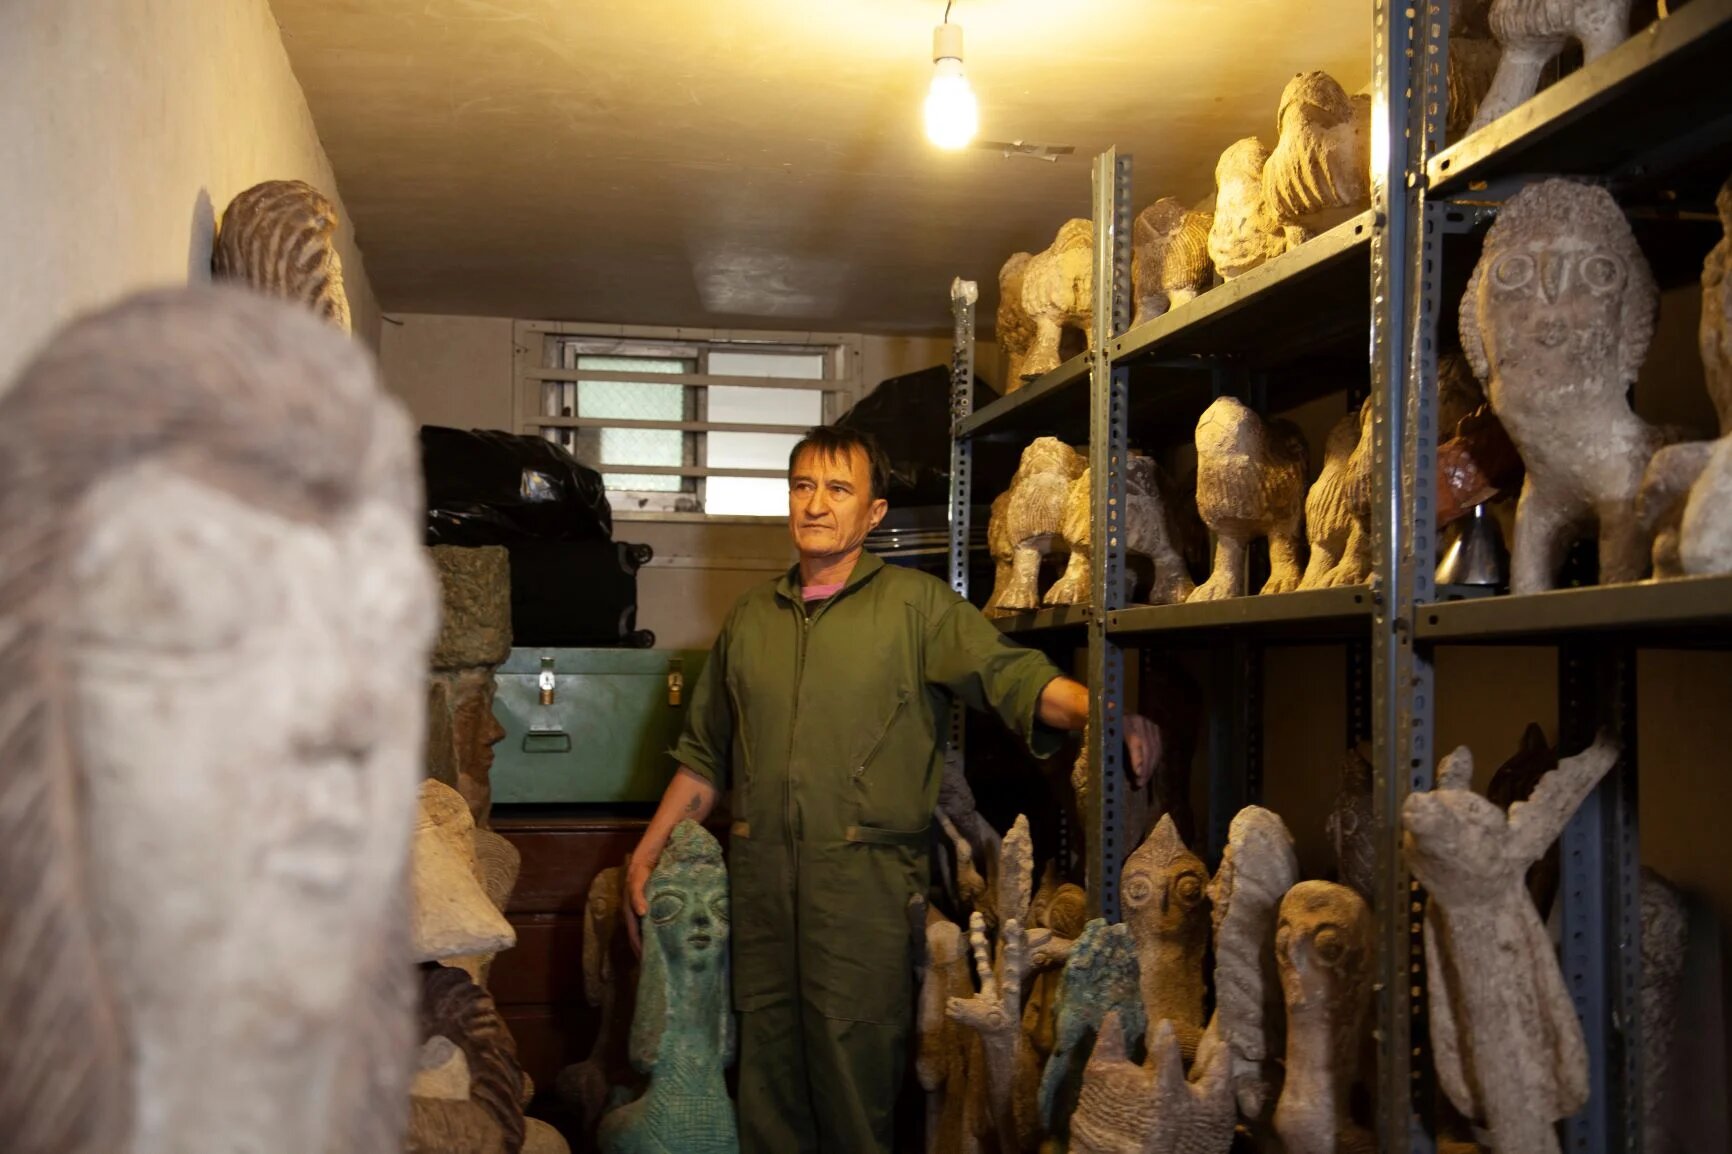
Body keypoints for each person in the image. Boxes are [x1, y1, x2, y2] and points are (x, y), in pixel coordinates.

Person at [624, 425, 1158, 1154]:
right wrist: (645, 853)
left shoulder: (917, 608)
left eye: (838, 489)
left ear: (873, 513)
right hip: (762, 898)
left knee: (855, 1093)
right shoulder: (751, 618)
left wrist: (1103, 709)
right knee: (766, 1091)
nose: (816, 504)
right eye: (803, 486)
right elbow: (702, 760)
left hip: (863, 899)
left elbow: (1011, 676)